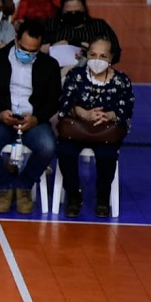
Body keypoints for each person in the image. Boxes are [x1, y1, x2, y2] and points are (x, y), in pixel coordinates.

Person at [0, 20, 61, 214]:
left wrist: (37, 118)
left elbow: (54, 100)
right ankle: (4, 187)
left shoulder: (50, 66)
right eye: (23, 48)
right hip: (0, 118)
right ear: (15, 40)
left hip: (33, 121)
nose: (27, 54)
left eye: (33, 51)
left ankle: (24, 185)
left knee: (48, 147)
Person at [56, 36, 134, 218]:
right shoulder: (75, 76)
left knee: (107, 155)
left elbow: (127, 109)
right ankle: (74, 196)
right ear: (87, 55)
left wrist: (109, 115)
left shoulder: (122, 80)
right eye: (93, 54)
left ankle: (102, 198)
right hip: (76, 129)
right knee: (65, 152)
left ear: (110, 58)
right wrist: (82, 112)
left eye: (102, 56)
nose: (97, 60)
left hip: (105, 131)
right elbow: (63, 104)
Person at [42, 0, 120, 72]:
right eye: (69, 13)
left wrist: (91, 51)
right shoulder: (51, 25)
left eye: (77, 12)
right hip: (56, 76)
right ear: (62, 10)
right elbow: (34, 50)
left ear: (84, 9)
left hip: (92, 75)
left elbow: (115, 53)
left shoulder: (98, 26)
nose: (73, 15)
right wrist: (52, 47)